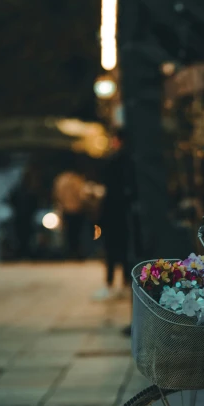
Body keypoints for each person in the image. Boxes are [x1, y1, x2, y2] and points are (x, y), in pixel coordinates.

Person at [93, 129, 133, 301]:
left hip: (113, 212)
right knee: (124, 249)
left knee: (111, 249)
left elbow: (109, 190)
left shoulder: (115, 161)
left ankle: (110, 284)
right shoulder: (131, 161)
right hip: (125, 213)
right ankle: (124, 283)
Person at [53, 170, 86, 259]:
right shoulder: (77, 180)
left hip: (67, 209)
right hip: (76, 209)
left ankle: (70, 251)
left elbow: (57, 194)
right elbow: (82, 194)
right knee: (76, 232)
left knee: (69, 232)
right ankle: (74, 251)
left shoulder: (61, 180)